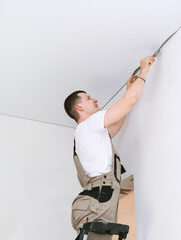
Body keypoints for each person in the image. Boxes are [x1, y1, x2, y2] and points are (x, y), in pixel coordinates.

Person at [64, 56, 155, 240]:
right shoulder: (89, 125)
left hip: (98, 197)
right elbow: (130, 102)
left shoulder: (88, 134)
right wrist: (144, 71)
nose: (95, 99)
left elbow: (115, 124)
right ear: (80, 107)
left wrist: (129, 88)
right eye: (89, 98)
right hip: (98, 199)